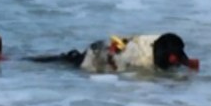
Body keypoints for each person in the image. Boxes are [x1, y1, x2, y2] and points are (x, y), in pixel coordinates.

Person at [29, 33, 199, 73]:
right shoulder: (140, 55)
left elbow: (179, 55)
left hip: (112, 49)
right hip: (95, 57)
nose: (177, 58)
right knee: (60, 63)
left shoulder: (162, 44)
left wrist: (189, 63)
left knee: (62, 60)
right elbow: (115, 51)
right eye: (175, 56)